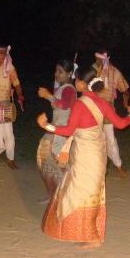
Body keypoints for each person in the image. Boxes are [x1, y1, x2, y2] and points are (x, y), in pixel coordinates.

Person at [37, 69, 130, 249]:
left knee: (79, 190)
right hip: (98, 153)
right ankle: (90, 233)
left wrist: (47, 126)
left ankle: (92, 236)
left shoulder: (80, 104)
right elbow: (121, 124)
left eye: (77, 80)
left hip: (85, 154)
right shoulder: (103, 102)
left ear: (83, 84)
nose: (76, 83)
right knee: (90, 192)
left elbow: (68, 131)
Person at [36, 59, 78, 200]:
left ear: (70, 73)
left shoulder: (69, 89)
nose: (56, 74)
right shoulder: (64, 88)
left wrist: (48, 96)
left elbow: (64, 105)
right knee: (49, 161)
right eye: (56, 71)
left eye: (60, 71)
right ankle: (56, 195)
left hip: (62, 131)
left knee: (56, 163)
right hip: (56, 129)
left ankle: (61, 197)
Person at [92, 49, 130, 177]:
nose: (96, 62)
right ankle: (96, 167)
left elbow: (125, 88)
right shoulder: (93, 70)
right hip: (92, 109)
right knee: (93, 138)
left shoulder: (115, 72)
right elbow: (82, 84)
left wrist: (125, 101)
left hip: (108, 110)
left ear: (105, 59)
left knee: (110, 139)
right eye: (96, 59)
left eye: (98, 59)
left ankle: (118, 166)